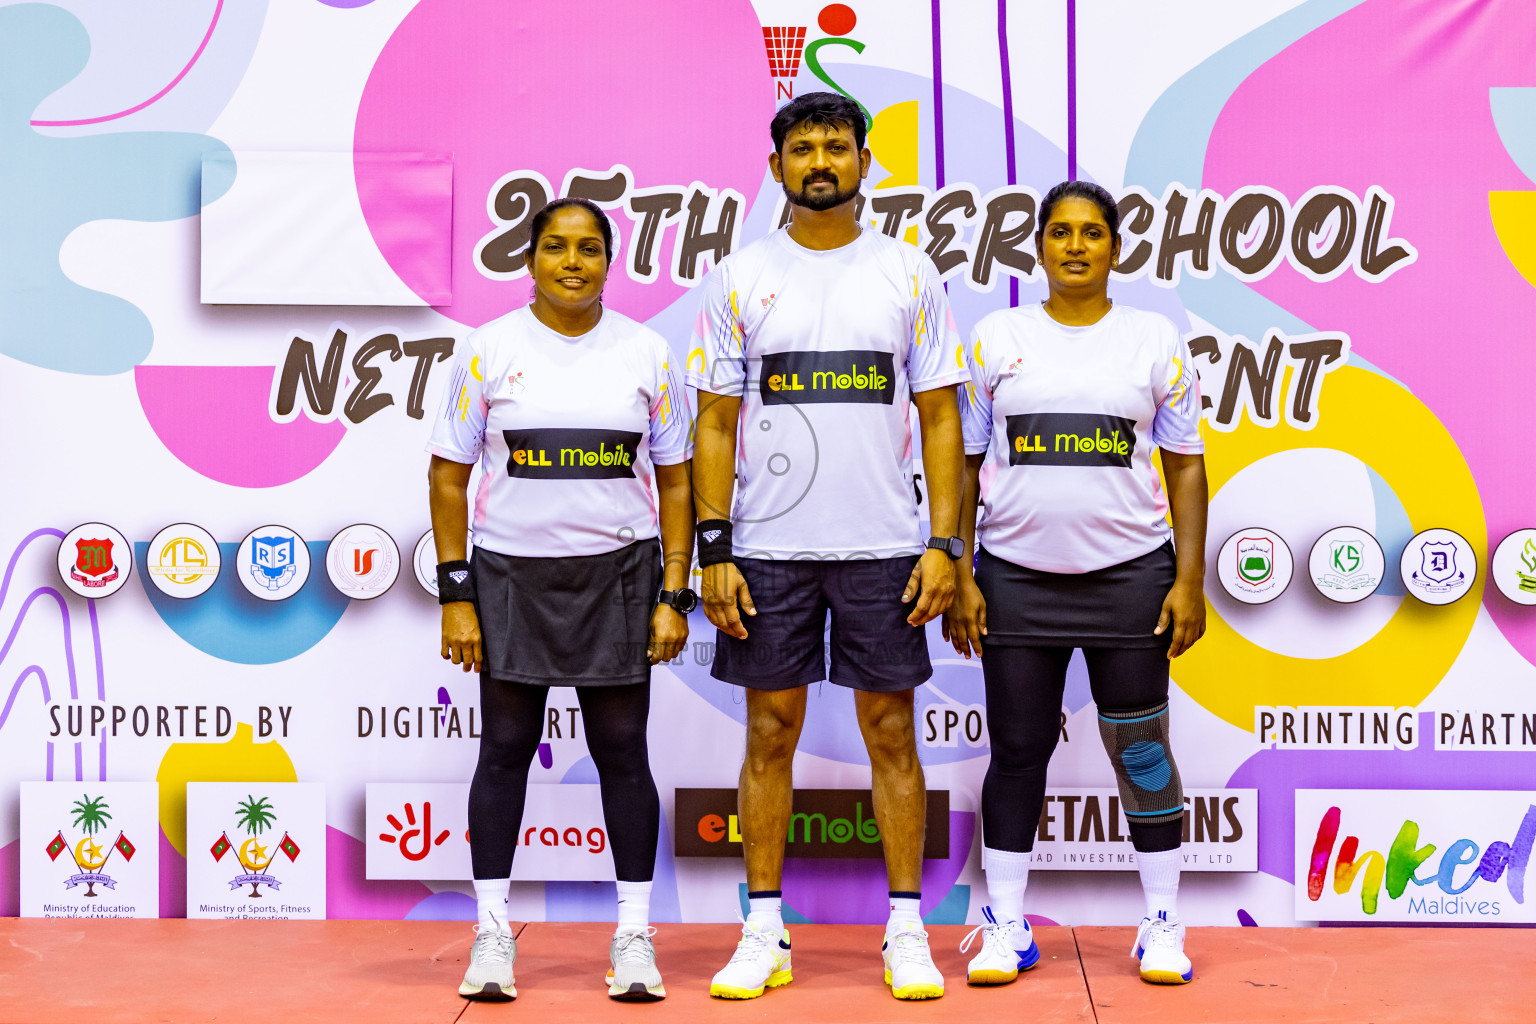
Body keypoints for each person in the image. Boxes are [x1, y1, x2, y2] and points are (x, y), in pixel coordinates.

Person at [687, 91, 969, 1002]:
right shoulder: (737, 278)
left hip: (887, 545)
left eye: (837, 147)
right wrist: (714, 547)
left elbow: (940, 417)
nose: (820, 160)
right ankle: (762, 931)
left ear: (863, 163)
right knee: (770, 733)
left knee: (892, 731)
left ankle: (905, 931)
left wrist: (943, 545)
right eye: (803, 146)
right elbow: (715, 425)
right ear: (776, 167)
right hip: (767, 548)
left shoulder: (909, 275)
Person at [426, 198, 696, 1002]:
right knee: (504, 751)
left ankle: (636, 936)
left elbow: (678, 479)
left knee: (624, 755)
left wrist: (673, 592)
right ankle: (491, 934)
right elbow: (449, 474)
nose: (571, 262)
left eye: (587, 249)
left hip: (620, 576)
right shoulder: (489, 349)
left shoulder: (647, 354)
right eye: (555, 248)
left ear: (609, 261)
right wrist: (457, 595)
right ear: (531, 260)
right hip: (511, 576)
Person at [946, 180, 1208, 986]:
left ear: (1114, 248)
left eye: (1092, 233)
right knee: (1018, 751)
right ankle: (1007, 924)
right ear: (1039, 246)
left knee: (1142, 753)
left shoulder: (1152, 340)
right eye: (1060, 233)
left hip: (1132, 575)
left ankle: (1161, 921)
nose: (1075, 246)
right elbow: (959, 463)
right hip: (1016, 578)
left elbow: (1187, 465)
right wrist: (960, 570)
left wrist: (1189, 579)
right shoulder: (998, 336)